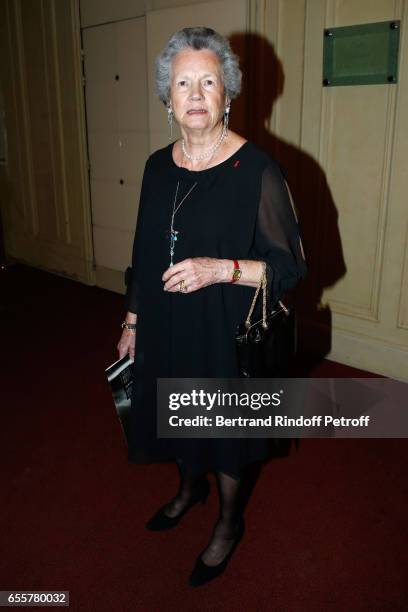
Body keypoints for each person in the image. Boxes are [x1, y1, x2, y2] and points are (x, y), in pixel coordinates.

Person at [117, 26, 307, 587]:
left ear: (228, 94)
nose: (195, 94)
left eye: (208, 81)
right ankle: (186, 487)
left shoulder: (257, 169)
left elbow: (291, 268)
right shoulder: (157, 166)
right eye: (183, 83)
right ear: (167, 97)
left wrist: (216, 269)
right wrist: (132, 321)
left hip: (225, 326)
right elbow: (143, 248)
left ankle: (227, 523)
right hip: (167, 320)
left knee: (224, 431)